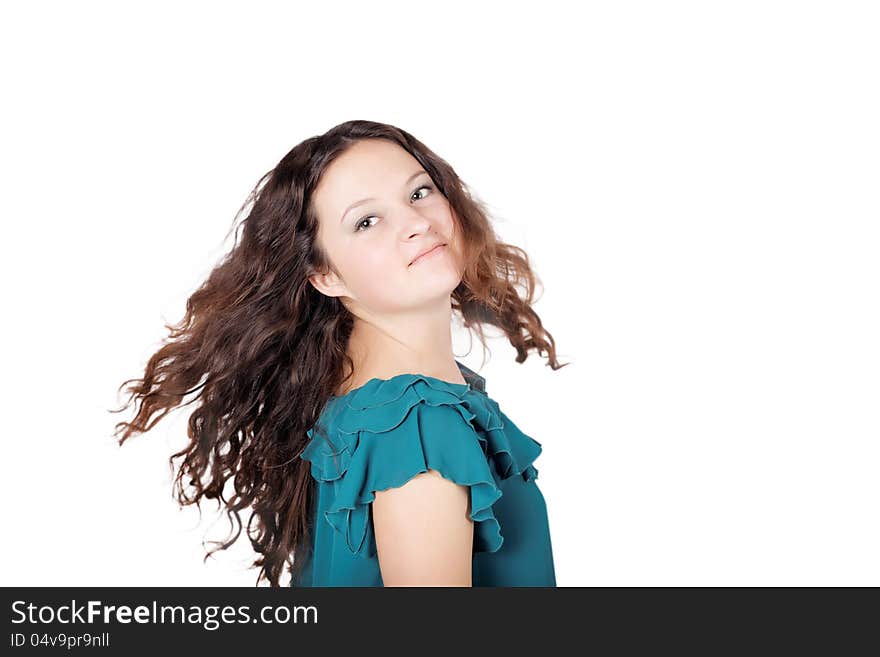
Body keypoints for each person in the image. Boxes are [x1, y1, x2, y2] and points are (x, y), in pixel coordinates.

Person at [111, 119, 569, 587]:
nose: (417, 223)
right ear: (325, 276)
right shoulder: (419, 428)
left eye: (419, 192)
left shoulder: (363, 407)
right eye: (366, 221)